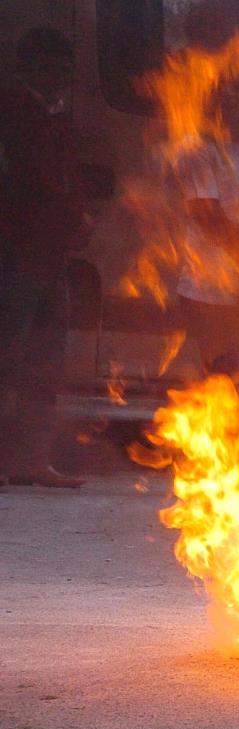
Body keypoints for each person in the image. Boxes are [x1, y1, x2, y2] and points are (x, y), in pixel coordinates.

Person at [0, 27, 87, 488]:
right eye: (60, 65)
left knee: (45, 363)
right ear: (36, 66)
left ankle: (31, 459)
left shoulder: (56, 117)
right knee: (8, 359)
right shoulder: (13, 112)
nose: (67, 76)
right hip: (18, 254)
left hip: (51, 256)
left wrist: (76, 220)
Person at [173, 1, 239, 381]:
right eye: (225, 89)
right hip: (212, 289)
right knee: (223, 383)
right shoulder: (196, 147)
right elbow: (206, 214)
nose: (234, 97)